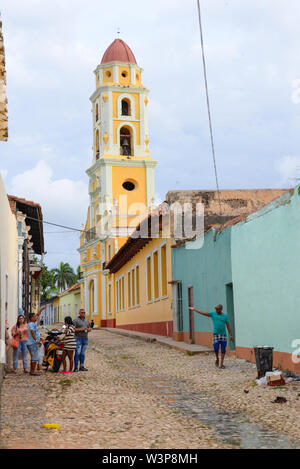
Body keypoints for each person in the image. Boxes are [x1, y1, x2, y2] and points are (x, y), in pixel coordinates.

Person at [189, 304, 234, 369]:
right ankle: (217, 358)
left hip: (223, 335)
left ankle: (221, 364)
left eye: (217, 309)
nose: (216, 310)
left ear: (221, 309)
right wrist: (195, 310)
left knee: (223, 349)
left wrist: (231, 335)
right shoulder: (213, 314)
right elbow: (204, 313)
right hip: (216, 334)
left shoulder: (225, 316)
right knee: (216, 348)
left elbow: (228, 326)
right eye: (215, 309)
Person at [26, 306, 46, 376]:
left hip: (32, 342)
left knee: (33, 357)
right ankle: (32, 372)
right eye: (34, 317)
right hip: (32, 343)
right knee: (34, 357)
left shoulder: (31, 323)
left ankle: (32, 371)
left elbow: (37, 315)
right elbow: (32, 331)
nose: (36, 318)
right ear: (31, 318)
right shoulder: (31, 324)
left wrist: (41, 310)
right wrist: (36, 340)